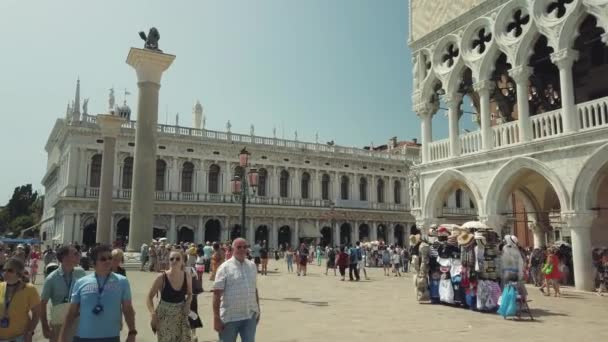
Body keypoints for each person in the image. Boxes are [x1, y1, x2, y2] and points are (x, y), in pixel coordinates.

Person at [60, 244, 137, 342]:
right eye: (103, 259)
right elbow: (71, 313)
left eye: (110, 258)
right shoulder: (81, 283)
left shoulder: (122, 281)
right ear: (93, 263)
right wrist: (62, 337)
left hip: (111, 338)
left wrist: (132, 332)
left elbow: (128, 309)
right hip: (83, 338)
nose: (108, 261)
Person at [213, 238, 260, 342]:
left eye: (245, 247)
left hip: (249, 315)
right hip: (230, 317)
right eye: (239, 247)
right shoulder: (224, 268)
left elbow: (254, 289)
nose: (242, 249)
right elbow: (216, 294)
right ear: (233, 249)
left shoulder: (252, 266)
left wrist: (258, 309)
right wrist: (216, 318)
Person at [40, 245, 86, 342]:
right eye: (75, 254)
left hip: (78, 321)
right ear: (65, 258)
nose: (79, 255)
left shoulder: (81, 273)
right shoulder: (51, 279)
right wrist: (45, 327)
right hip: (59, 322)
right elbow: (42, 304)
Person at [147, 250, 193, 342]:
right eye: (171, 259)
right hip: (164, 316)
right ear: (169, 261)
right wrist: (153, 314)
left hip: (181, 315)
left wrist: (188, 303)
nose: (174, 261)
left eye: (177, 258)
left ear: (183, 261)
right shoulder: (161, 277)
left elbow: (190, 294)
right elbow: (149, 297)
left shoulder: (187, 276)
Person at [0, 258, 41, 342]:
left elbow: (36, 314)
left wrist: (30, 332)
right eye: (4, 270)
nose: (5, 273)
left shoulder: (29, 289)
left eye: (10, 270)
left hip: (20, 337)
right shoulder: (0, 286)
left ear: (19, 273)